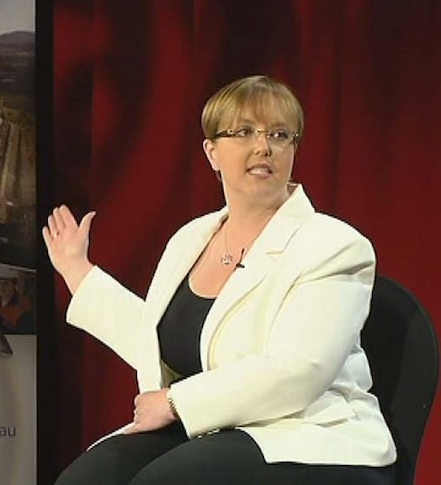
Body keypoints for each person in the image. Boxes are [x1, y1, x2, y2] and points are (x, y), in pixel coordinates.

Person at [43, 75, 396, 484]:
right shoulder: (191, 238)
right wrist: (77, 270)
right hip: (213, 429)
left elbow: (301, 369)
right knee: (86, 479)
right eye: (244, 132)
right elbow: (158, 339)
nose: (264, 146)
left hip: (304, 433)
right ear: (212, 152)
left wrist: (176, 402)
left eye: (280, 134)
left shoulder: (333, 245)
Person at [0, 266, 34, 334]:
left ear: (14, 285)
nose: (2, 287)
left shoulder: (24, 305)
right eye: (0, 283)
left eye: (6, 283)